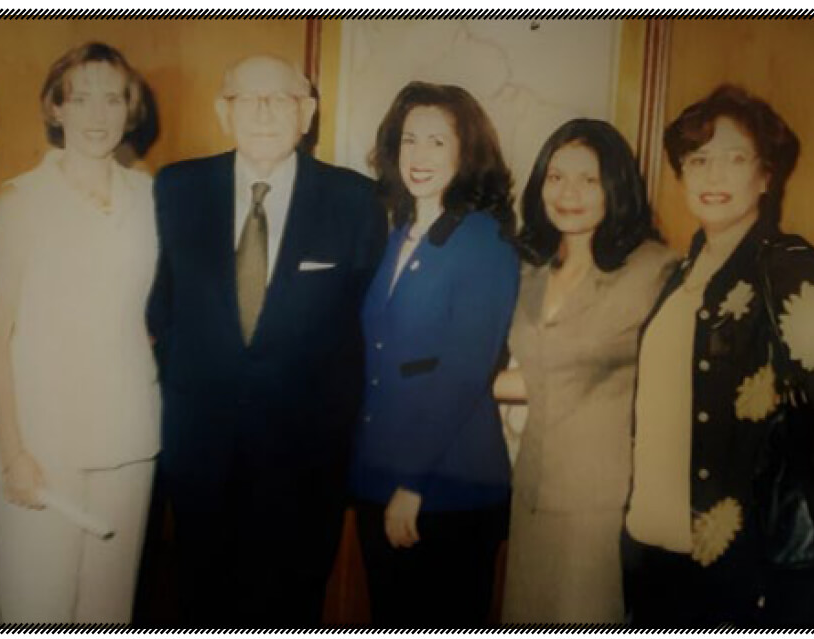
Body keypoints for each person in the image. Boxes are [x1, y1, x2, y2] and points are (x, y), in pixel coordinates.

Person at [622, 84, 814, 626]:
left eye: (735, 159)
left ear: (766, 176)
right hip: (653, 555)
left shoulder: (788, 268)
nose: (713, 176)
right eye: (699, 159)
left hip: (745, 572)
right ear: (681, 173)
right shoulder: (683, 275)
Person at [146, 54, 386, 625]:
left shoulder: (354, 199)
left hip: (304, 465)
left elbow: (366, 331)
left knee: (289, 608)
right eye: (246, 98)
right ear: (222, 112)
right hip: (199, 456)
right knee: (196, 606)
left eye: (279, 98)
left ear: (306, 113)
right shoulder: (174, 189)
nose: (263, 111)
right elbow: (157, 309)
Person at [0, 42, 159, 623]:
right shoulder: (20, 200)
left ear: (130, 109)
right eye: (81, 99)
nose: (98, 115)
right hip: (41, 441)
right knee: (38, 611)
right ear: (56, 109)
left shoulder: (151, 196)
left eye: (112, 99)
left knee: (108, 614)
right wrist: (12, 450)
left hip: (129, 437)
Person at [350, 81, 519, 627]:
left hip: (446, 488)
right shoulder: (397, 230)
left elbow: (462, 371)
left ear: (467, 152)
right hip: (380, 478)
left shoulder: (483, 239)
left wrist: (411, 483)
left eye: (437, 142)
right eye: (408, 141)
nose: (419, 157)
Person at [494, 119, 675, 623]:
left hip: (607, 501)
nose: (568, 193)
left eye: (589, 180)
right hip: (530, 490)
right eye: (556, 177)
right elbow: (539, 376)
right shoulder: (527, 268)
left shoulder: (652, 270)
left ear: (615, 187)